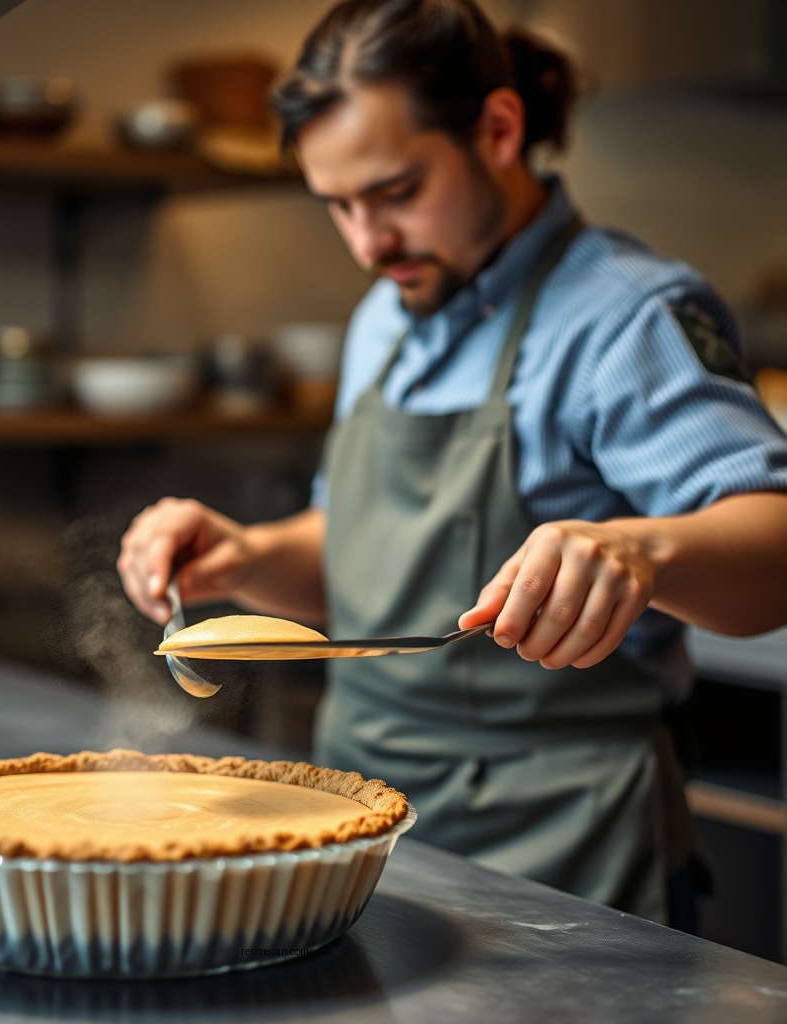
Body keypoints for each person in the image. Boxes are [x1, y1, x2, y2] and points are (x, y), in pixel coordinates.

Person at [118, 0, 787, 926]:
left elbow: (774, 551)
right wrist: (247, 555)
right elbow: (359, 557)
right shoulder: (384, 319)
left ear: (499, 131)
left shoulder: (627, 316)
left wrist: (645, 552)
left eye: (396, 192)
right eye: (339, 205)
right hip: (363, 825)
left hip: (564, 853)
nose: (367, 243)